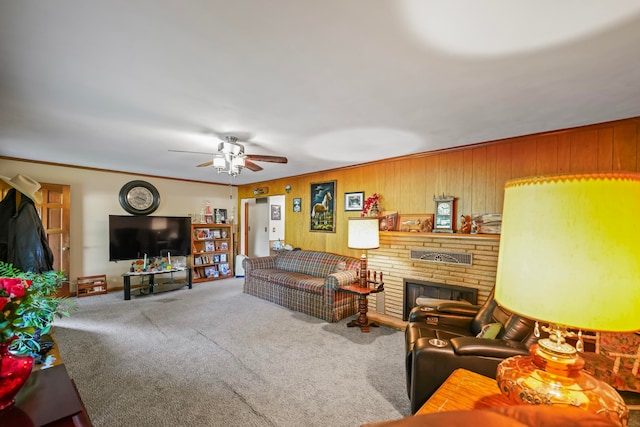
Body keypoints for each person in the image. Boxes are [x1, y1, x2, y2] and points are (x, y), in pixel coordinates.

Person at [0, 174, 54, 273]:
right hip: (17, 262)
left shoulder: (16, 205)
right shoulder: (25, 208)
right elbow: (29, 243)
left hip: (9, 260)